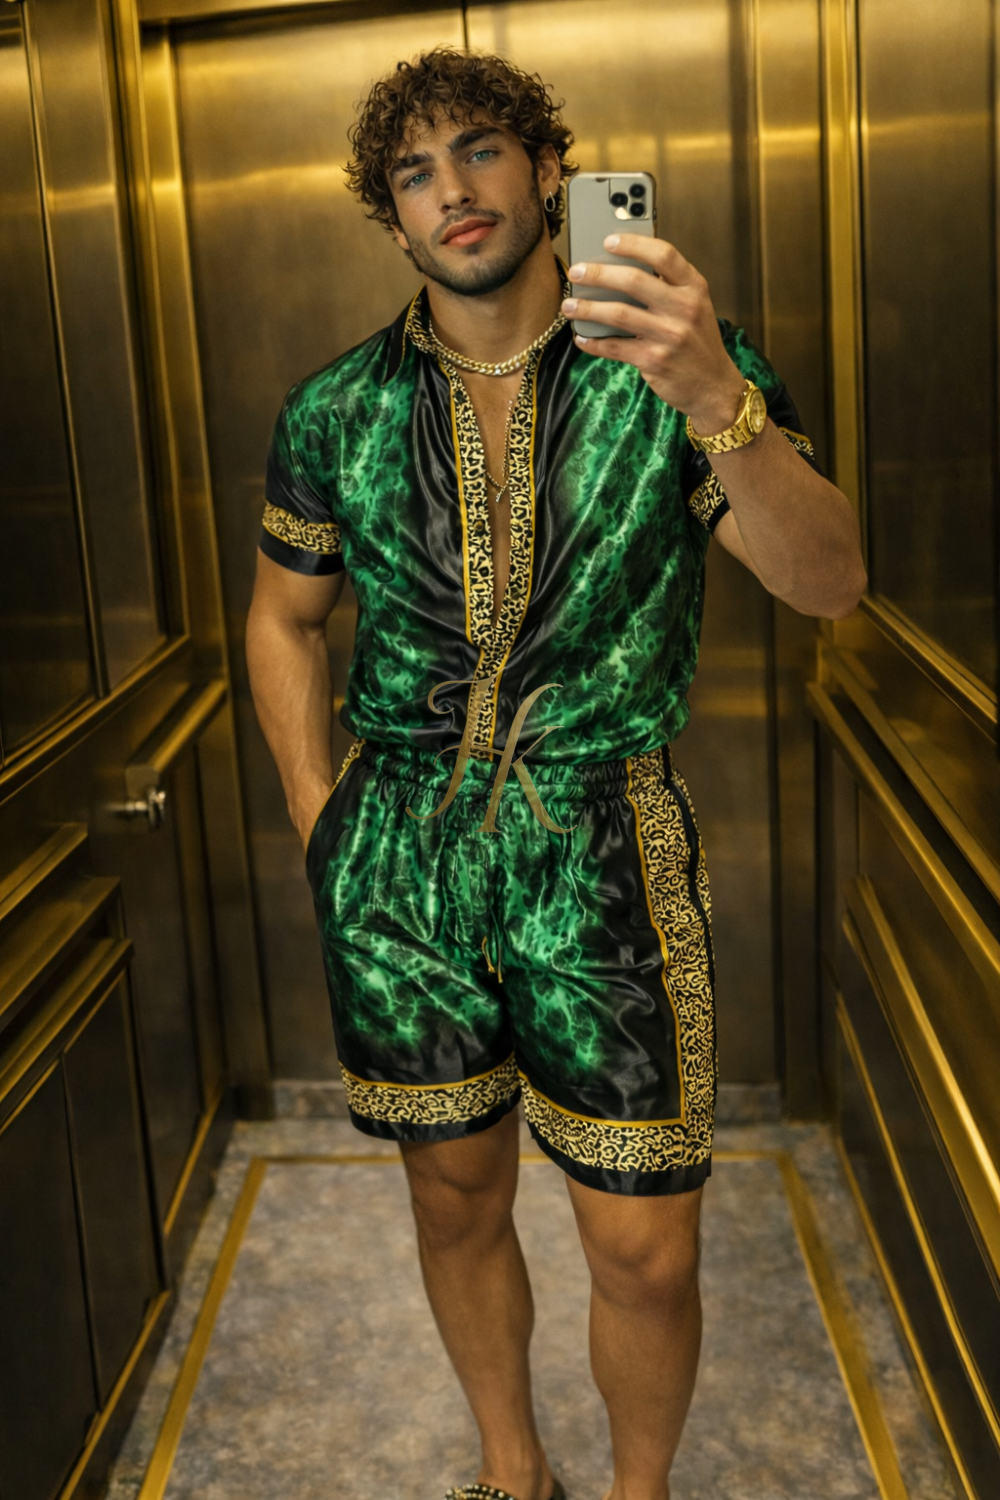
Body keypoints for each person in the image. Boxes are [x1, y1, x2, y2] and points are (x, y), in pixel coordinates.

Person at [245, 46, 865, 1500]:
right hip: (399, 853)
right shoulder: (335, 410)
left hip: (603, 848)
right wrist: (323, 817)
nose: (451, 190)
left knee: (646, 1246)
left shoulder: (672, 370)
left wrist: (713, 391)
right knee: (453, 1196)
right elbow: (281, 620)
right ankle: (513, 1472)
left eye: (479, 150)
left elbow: (831, 582)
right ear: (392, 214)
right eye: (413, 172)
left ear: (548, 169)